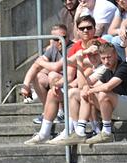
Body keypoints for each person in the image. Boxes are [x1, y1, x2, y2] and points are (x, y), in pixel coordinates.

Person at [24, 15, 101, 145]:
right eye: (82, 28)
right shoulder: (76, 47)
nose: (86, 31)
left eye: (89, 27)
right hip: (80, 85)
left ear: (94, 29)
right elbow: (70, 75)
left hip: (96, 85)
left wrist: (70, 82)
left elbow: (92, 68)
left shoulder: (100, 42)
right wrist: (58, 84)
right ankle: (44, 133)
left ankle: (72, 131)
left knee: (71, 91)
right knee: (53, 91)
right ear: (77, 30)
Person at [19, 24, 70, 107]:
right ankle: (48, 110)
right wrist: (25, 85)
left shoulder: (72, 47)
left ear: (68, 36)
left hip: (69, 81)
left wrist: (41, 62)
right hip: (58, 82)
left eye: (63, 37)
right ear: (52, 39)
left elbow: (56, 67)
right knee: (38, 76)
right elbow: (35, 66)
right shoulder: (53, 49)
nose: (60, 41)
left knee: (52, 75)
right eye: (56, 39)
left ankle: (60, 111)